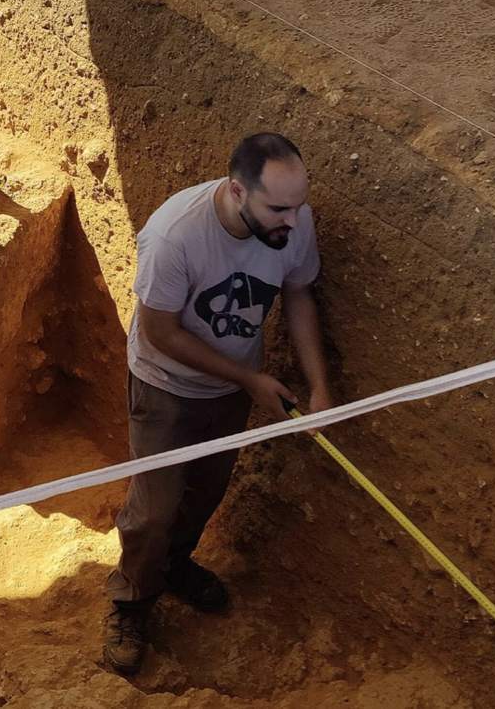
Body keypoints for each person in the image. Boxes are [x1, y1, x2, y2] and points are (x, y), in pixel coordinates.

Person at [102, 132, 335, 675]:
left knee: (204, 493)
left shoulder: (291, 221)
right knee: (153, 509)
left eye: (298, 206)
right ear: (236, 191)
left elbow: (298, 293)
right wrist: (249, 379)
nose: (293, 221)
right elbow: (160, 332)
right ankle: (131, 602)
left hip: (230, 390)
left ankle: (174, 567)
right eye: (279, 209)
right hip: (165, 386)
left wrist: (320, 386)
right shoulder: (174, 236)